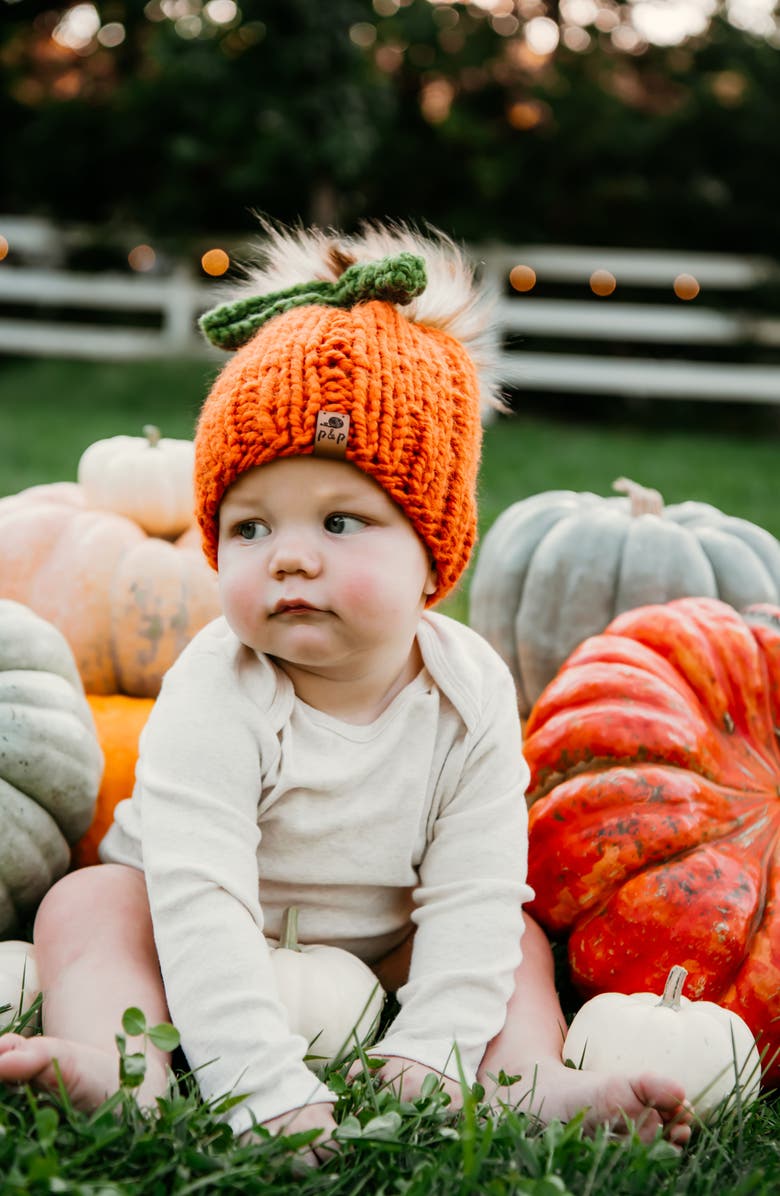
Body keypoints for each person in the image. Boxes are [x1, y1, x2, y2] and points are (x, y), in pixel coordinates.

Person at [0, 222, 692, 1158]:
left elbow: (472, 889)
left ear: (432, 553)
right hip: (196, 919)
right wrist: (258, 1083)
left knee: (507, 940)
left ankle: (527, 1082)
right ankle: (122, 1069)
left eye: (339, 519)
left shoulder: (469, 690)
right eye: (248, 528)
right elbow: (200, 896)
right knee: (88, 907)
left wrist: (433, 1046)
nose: (287, 555)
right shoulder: (219, 684)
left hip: (385, 934)